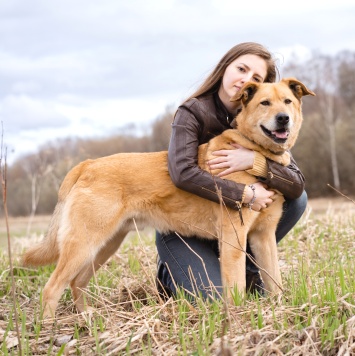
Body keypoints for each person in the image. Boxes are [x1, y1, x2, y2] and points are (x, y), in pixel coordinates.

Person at [155, 42, 307, 301]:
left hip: (230, 228)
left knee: (295, 198)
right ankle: (170, 274)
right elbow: (182, 172)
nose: (246, 78)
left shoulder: (266, 124)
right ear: (225, 67)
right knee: (213, 300)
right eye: (242, 68)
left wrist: (254, 162)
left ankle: (249, 272)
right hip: (183, 226)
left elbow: (296, 184)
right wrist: (245, 193)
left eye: (256, 77)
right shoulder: (192, 112)